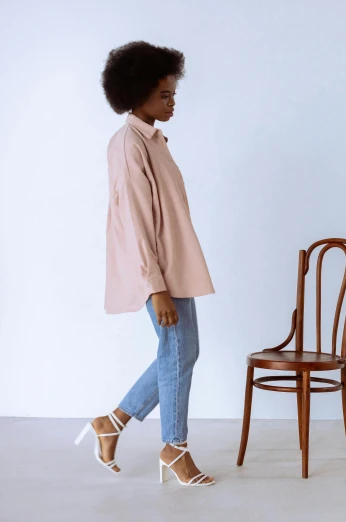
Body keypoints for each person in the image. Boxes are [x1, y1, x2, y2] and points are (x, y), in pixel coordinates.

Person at [74, 41, 215, 487]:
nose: (172, 102)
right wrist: (155, 286)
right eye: (164, 96)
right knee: (178, 352)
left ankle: (112, 422)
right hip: (159, 271)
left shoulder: (152, 140)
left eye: (174, 94)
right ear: (135, 94)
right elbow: (134, 222)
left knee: (181, 351)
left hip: (174, 265)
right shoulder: (129, 145)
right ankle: (175, 448)